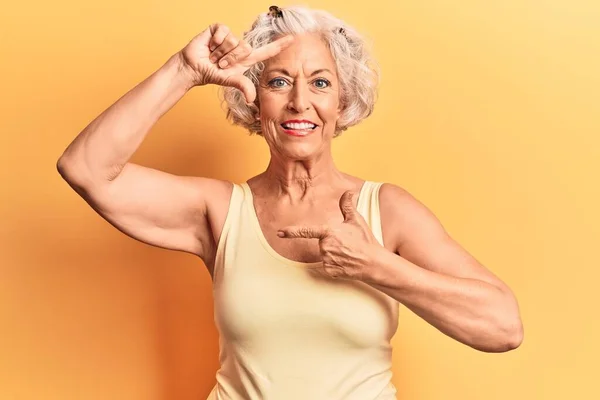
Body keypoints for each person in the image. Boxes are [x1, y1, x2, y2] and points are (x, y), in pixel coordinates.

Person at [56, 5, 523, 400]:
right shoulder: (219, 211)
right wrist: (184, 69)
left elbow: (503, 327)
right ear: (255, 101)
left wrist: (375, 266)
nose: (299, 102)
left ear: (343, 102)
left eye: (320, 83)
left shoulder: (388, 209)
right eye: (279, 82)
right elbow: (86, 168)